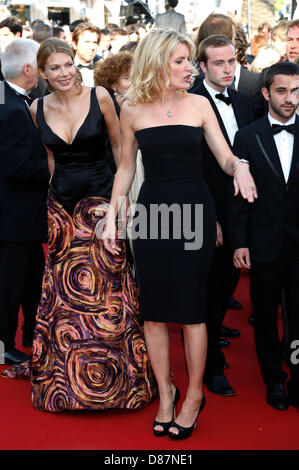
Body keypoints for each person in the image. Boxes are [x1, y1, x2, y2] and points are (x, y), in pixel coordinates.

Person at [102, 28, 257, 440]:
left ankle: (192, 396)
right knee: (153, 312)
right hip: (152, 216)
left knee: (191, 312)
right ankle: (166, 393)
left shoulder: (200, 104)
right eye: (181, 61)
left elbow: (225, 157)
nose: (191, 68)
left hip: (193, 215)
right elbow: (125, 169)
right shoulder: (132, 108)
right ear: (157, 63)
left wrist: (240, 166)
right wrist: (116, 215)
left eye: (190, 60)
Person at [2, 38, 157, 412]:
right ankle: (70, 387)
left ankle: (117, 384)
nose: (64, 73)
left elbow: (124, 156)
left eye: (68, 64)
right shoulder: (37, 108)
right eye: (54, 68)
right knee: (67, 301)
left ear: (77, 64)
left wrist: (117, 209)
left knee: (109, 297)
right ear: (40, 74)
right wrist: (52, 207)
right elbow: (50, 159)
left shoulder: (101, 97)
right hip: (62, 213)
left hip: (102, 206)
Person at [230, 61, 299, 411]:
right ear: (266, 93)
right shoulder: (247, 137)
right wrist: (240, 241)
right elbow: (239, 199)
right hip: (263, 243)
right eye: (283, 91)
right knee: (267, 318)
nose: (290, 99)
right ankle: (274, 379)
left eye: (296, 91)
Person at [192, 35, 253, 397]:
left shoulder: (244, 102)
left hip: (241, 208)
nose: (228, 69)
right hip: (208, 207)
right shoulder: (191, 105)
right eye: (218, 63)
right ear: (203, 67)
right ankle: (211, 365)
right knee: (210, 289)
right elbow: (194, 168)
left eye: (232, 62)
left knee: (228, 281)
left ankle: (213, 336)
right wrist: (209, 217)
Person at [0, 39, 49, 364]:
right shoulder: (13, 109)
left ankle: (33, 331)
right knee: (9, 285)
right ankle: (4, 347)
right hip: (14, 216)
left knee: (33, 276)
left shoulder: (7, 99)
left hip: (20, 216)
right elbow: (17, 166)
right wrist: (55, 166)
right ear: (29, 69)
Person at [72, 22, 101, 86]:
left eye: (94, 42)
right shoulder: (64, 66)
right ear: (74, 44)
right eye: (87, 42)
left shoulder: (105, 67)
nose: (92, 47)